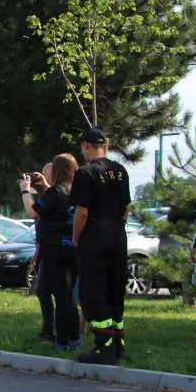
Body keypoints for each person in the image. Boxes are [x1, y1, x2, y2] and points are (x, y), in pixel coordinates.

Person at [71, 127, 131, 365]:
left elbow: (82, 212)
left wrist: (77, 238)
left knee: (93, 289)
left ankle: (102, 347)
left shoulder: (85, 173)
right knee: (115, 288)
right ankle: (118, 344)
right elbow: (125, 207)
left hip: (95, 236)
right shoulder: (120, 170)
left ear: (86, 145)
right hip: (118, 234)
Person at [22, 154, 81, 352]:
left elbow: (33, 211)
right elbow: (59, 204)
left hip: (55, 251)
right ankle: (74, 339)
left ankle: (61, 342)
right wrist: (46, 185)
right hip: (72, 249)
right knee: (68, 297)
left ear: (57, 170)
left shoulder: (55, 192)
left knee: (61, 297)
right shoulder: (76, 191)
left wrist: (25, 191)